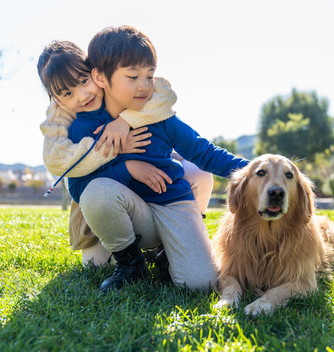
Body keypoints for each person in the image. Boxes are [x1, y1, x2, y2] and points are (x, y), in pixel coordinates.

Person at [66, 25, 249, 292]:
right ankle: (131, 264)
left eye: (149, 75)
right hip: (128, 213)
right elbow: (78, 187)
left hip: (171, 201)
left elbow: (204, 153)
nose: (143, 85)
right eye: (132, 76)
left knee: (200, 284)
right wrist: (128, 168)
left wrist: (256, 169)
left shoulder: (160, 116)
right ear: (101, 77)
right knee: (95, 200)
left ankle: (166, 251)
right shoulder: (84, 126)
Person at [37, 40, 213, 267]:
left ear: (96, 72)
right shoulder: (66, 117)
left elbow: (162, 93)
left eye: (84, 81)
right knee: (97, 264)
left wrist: (123, 121)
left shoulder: (120, 86)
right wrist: (116, 149)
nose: (82, 95)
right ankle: (130, 256)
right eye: (68, 93)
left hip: (155, 186)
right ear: (57, 100)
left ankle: (182, 235)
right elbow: (56, 159)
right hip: (107, 196)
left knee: (199, 174)